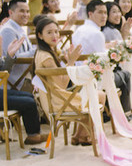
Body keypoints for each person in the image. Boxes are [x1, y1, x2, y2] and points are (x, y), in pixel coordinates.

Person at [0, 4, 46, 145]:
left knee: (29, 96)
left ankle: (28, 133)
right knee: (28, 102)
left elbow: (1, 72)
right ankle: (33, 136)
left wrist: (10, 56)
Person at [32, 16, 93, 145]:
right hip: (57, 101)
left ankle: (79, 136)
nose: (54, 35)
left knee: (95, 94)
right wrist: (70, 62)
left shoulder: (48, 52)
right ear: (40, 35)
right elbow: (62, 84)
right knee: (97, 96)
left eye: (56, 31)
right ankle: (82, 136)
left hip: (56, 96)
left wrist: (68, 61)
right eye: (49, 32)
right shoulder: (46, 57)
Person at [73, 0, 131, 114]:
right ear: (90, 14)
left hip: (79, 75)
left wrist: (107, 47)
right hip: (94, 78)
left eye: (105, 13)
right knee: (126, 74)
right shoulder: (97, 34)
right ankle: (123, 113)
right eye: (100, 12)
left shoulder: (79, 30)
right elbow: (104, 61)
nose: (104, 16)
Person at [0, 0, 35, 90]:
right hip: (12, 84)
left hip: (24, 80)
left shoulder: (19, 28)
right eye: (22, 11)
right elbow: (14, 59)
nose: (26, 15)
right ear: (11, 12)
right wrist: (37, 51)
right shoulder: (8, 30)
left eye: (27, 11)